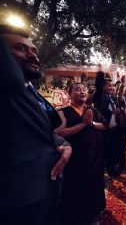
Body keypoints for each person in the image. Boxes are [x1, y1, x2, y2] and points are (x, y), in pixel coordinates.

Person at [0, 25, 72, 225]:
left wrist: (63, 144)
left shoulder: (29, 91)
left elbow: (40, 131)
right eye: (20, 48)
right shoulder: (6, 90)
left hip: (46, 194)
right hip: (15, 204)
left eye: (34, 50)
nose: (33, 56)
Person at [56, 83, 106, 225]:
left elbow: (104, 125)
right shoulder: (63, 112)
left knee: (95, 187)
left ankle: (95, 214)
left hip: (94, 159)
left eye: (84, 90)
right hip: (75, 160)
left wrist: (92, 124)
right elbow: (58, 132)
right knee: (75, 190)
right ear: (69, 93)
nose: (83, 91)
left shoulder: (92, 110)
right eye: (78, 89)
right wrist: (83, 124)